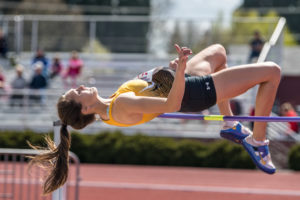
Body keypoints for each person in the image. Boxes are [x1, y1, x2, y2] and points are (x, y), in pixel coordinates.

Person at [30, 44, 281, 194]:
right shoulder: (120, 105)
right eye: (79, 92)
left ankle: (229, 123)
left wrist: (171, 70)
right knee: (272, 73)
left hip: (182, 80)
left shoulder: (111, 105)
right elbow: (172, 104)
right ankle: (258, 142)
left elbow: (154, 87)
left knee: (218, 53)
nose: (82, 86)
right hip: (193, 92)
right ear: (84, 109)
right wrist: (180, 70)